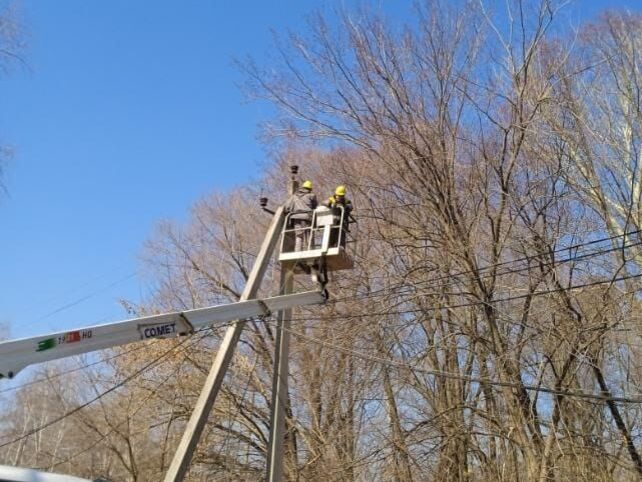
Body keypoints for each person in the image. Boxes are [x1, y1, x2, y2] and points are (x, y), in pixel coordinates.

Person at [285, 180, 318, 251]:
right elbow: (315, 206)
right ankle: (310, 251)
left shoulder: (294, 196)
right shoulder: (311, 196)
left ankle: (297, 252)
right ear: (310, 189)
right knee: (309, 235)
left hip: (296, 218)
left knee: (299, 236)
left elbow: (287, 207)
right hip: (307, 218)